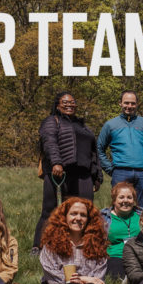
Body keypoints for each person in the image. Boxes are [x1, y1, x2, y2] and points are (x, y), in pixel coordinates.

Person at [34, 91, 103, 254]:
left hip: (83, 174)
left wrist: (97, 175)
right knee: (51, 209)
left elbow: (94, 152)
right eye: (65, 102)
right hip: (59, 173)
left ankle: (86, 246)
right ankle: (39, 245)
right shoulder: (52, 121)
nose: (69, 105)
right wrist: (56, 162)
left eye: (72, 102)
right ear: (57, 105)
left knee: (86, 210)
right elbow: (49, 142)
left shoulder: (83, 126)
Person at [33, 198, 115, 284]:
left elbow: (98, 282)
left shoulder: (97, 246)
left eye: (83, 215)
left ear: (89, 219)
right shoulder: (51, 245)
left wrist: (86, 281)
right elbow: (56, 282)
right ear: (64, 217)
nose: (78, 218)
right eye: (73, 214)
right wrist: (86, 279)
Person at [96, 90, 143, 208]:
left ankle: (141, 227)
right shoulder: (110, 125)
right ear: (120, 103)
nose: (129, 106)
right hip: (120, 172)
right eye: (126, 103)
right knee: (121, 206)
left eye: (132, 103)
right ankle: (121, 227)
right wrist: (111, 169)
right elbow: (99, 149)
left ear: (137, 104)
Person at [100, 182, 140, 280]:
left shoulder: (142, 215)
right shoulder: (103, 217)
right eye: (121, 197)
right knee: (116, 277)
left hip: (139, 255)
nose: (125, 201)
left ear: (134, 200)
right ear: (114, 200)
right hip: (115, 255)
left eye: (129, 197)